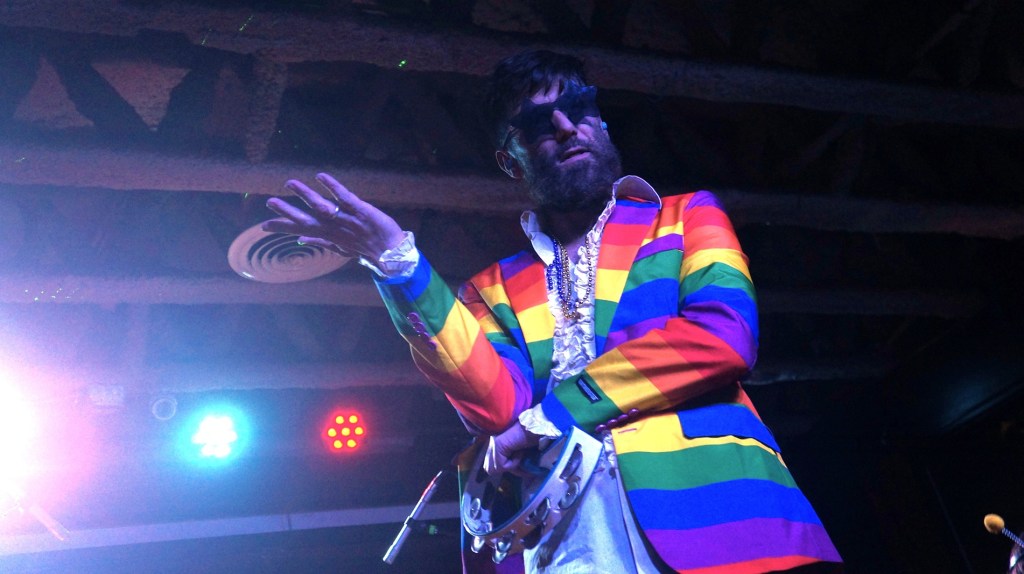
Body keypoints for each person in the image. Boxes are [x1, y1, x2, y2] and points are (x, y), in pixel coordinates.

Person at [261, 50, 842, 574]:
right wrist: (399, 265)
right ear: (510, 161)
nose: (566, 127)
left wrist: (553, 414)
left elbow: (723, 336)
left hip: (721, 526)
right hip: (564, 544)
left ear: (602, 121)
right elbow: (497, 408)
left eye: (579, 108)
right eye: (539, 124)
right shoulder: (489, 289)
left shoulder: (687, 218)